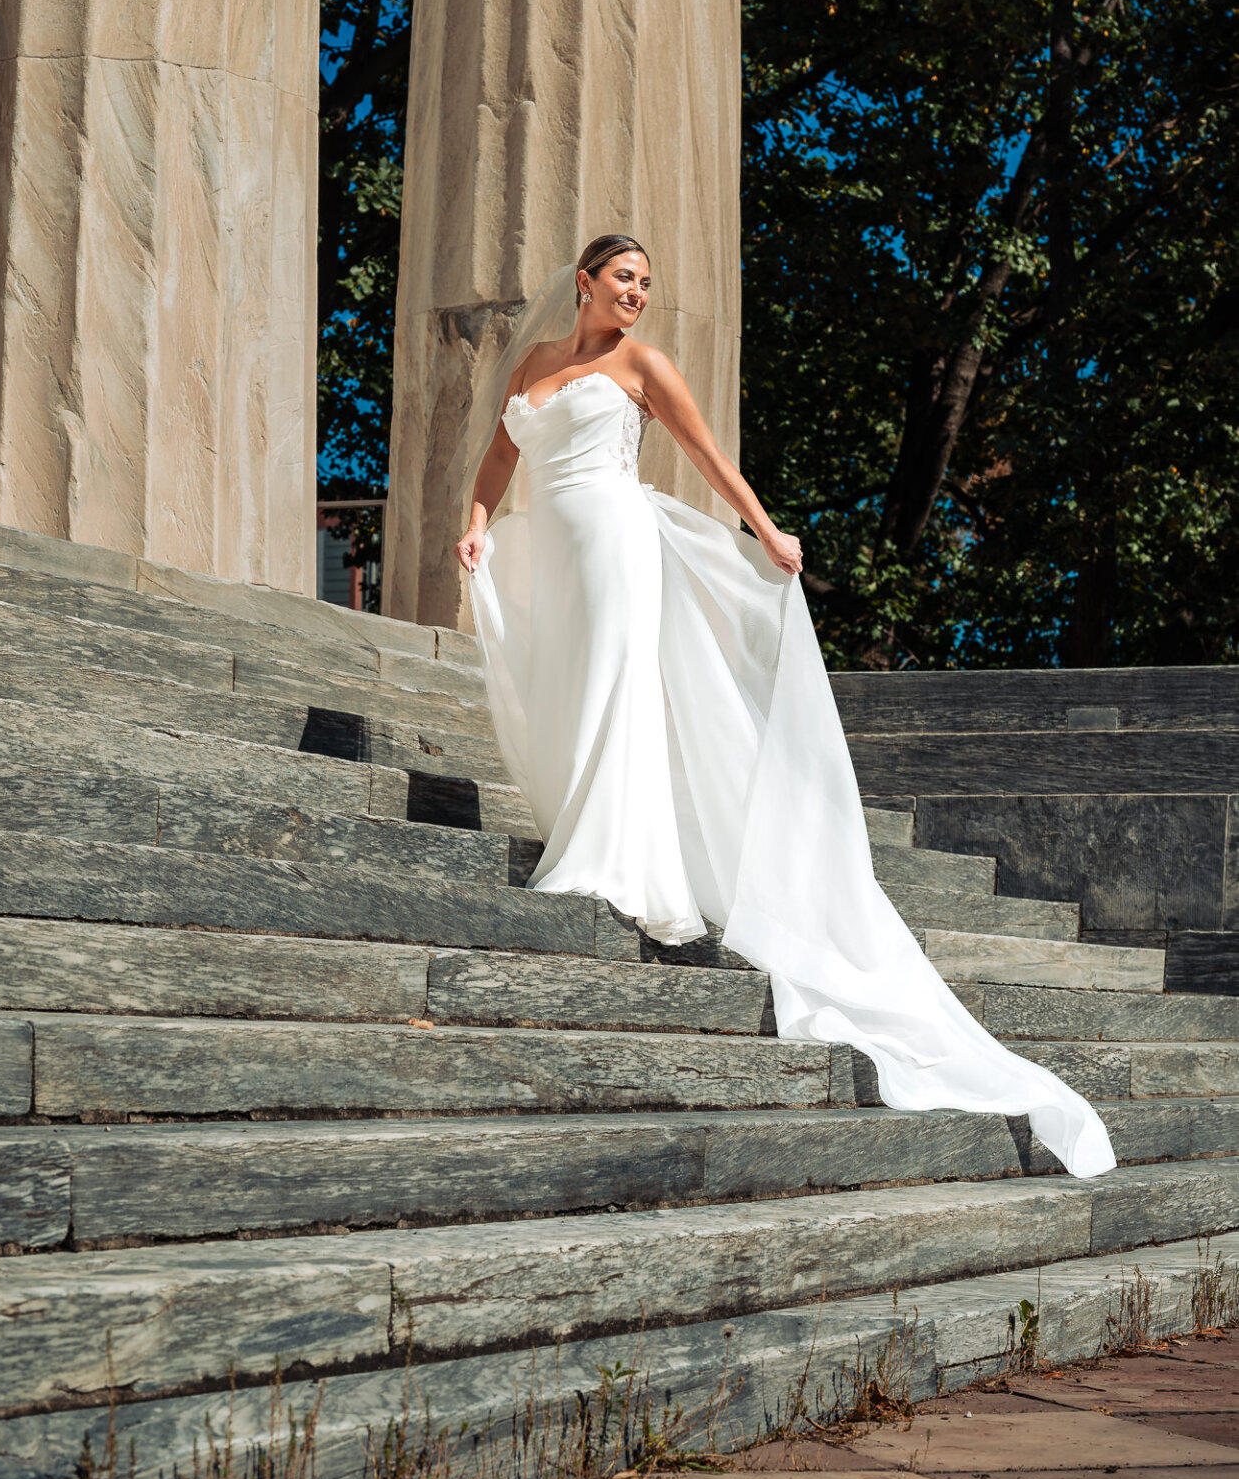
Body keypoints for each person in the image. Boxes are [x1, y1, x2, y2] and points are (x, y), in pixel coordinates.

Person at [457, 235, 1116, 1179]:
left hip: (614, 539)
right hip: (553, 547)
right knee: (567, 691)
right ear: (585, 283)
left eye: (648, 281)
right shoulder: (537, 363)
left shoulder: (644, 365)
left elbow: (706, 455)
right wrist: (477, 524)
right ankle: (601, 838)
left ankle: (610, 861)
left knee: (614, 684)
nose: (639, 293)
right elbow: (497, 458)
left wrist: (766, 529)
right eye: (625, 279)